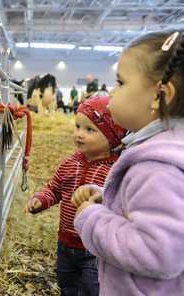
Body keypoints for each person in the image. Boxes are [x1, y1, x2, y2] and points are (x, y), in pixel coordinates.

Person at [71, 28, 184, 295]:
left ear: (159, 96)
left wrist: (91, 219)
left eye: (120, 82)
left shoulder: (157, 168)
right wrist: (108, 198)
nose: (112, 90)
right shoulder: (165, 150)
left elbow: (158, 253)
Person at [25, 96, 127, 296]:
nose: (79, 134)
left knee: (92, 289)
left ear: (113, 136)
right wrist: (41, 200)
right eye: (78, 126)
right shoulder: (69, 163)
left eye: (90, 130)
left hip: (95, 248)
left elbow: (119, 205)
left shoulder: (116, 171)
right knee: (67, 284)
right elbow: (54, 189)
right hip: (65, 243)